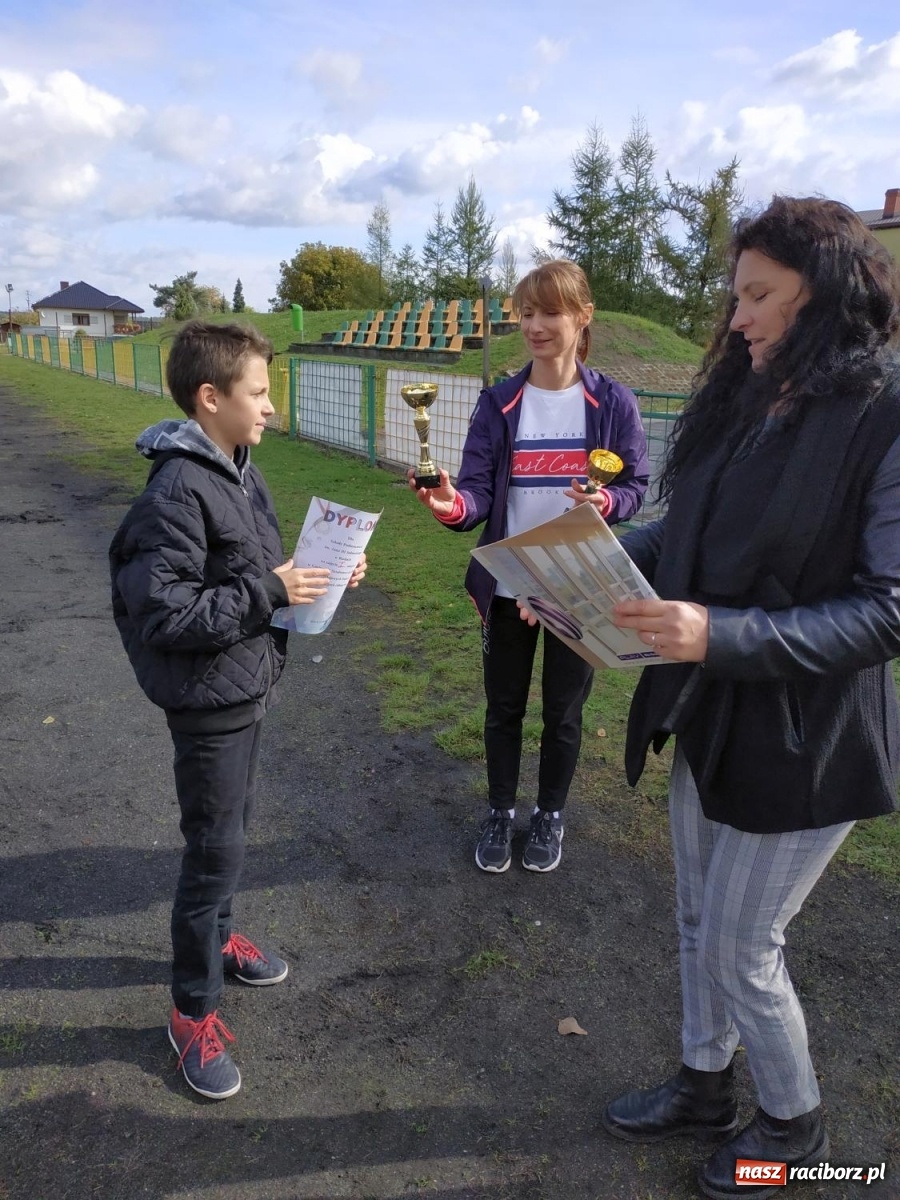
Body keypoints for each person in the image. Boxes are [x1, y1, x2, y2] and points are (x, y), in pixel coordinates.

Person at [599, 197, 900, 1199]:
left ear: (829, 295)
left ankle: (797, 1127)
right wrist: (580, 565)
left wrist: (720, 635)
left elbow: (886, 611)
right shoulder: (747, 398)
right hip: (709, 708)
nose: (740, 320)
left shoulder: (885, 417)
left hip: (809, 734)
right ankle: (702, 1086)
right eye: (737, 297)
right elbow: (680, 527)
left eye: (761, 296)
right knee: (696, 919)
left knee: (742, 941)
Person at [109, 321, 366, 1100]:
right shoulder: (176, 492)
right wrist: (270, 593)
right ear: (210, 397)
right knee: (211, 853)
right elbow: (165, 617)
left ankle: (220, 940)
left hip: (246, 683)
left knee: (233, 834)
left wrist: (318, 579)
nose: (272, 407)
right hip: (208, 703)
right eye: (259, 392)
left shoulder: (240, 468)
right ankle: (191, 1012)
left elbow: (261, 572)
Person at [410, 260, 649, 874]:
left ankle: (550, 813)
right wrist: (450, 504)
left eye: (550, 312)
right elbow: (477, 496)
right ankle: (499, 810)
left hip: (578, 581)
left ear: (582, 317)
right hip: (509, 582)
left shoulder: (612, 401)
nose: (536, 326)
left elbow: (636, 485)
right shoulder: (499, 401)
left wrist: (608, 500)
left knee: (564, 711)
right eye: (527, 313)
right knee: (504, 708)